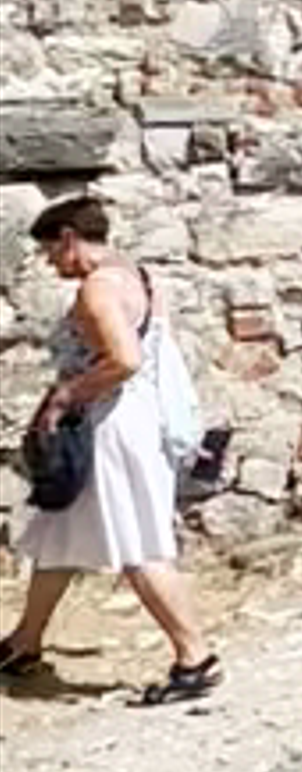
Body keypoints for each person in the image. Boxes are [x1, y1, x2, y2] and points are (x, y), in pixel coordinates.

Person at [4, 193, 219, 707]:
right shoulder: (136, 274)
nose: (51, 263)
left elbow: (124, 359)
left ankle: (195, 656)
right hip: (135, 419)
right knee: (59, 534)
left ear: (69, 238)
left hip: (112, 427)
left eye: (50, 252)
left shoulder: (98, 287)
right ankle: (23, 642)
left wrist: (66, 394)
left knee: (137, 543)